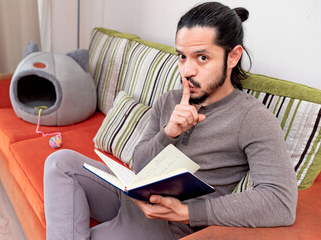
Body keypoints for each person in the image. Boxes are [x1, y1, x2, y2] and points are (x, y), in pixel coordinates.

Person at [43, 2, 298, 240]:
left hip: (166, 222)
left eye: (202, 58)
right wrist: (168, 134)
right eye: (182, 57)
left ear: (232, 57)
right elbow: (139, 166)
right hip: (134, 196)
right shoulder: (169, 100)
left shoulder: (253, 118)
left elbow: (280, 202)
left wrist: (187, 213)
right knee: (60, 162)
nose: (187, 71)